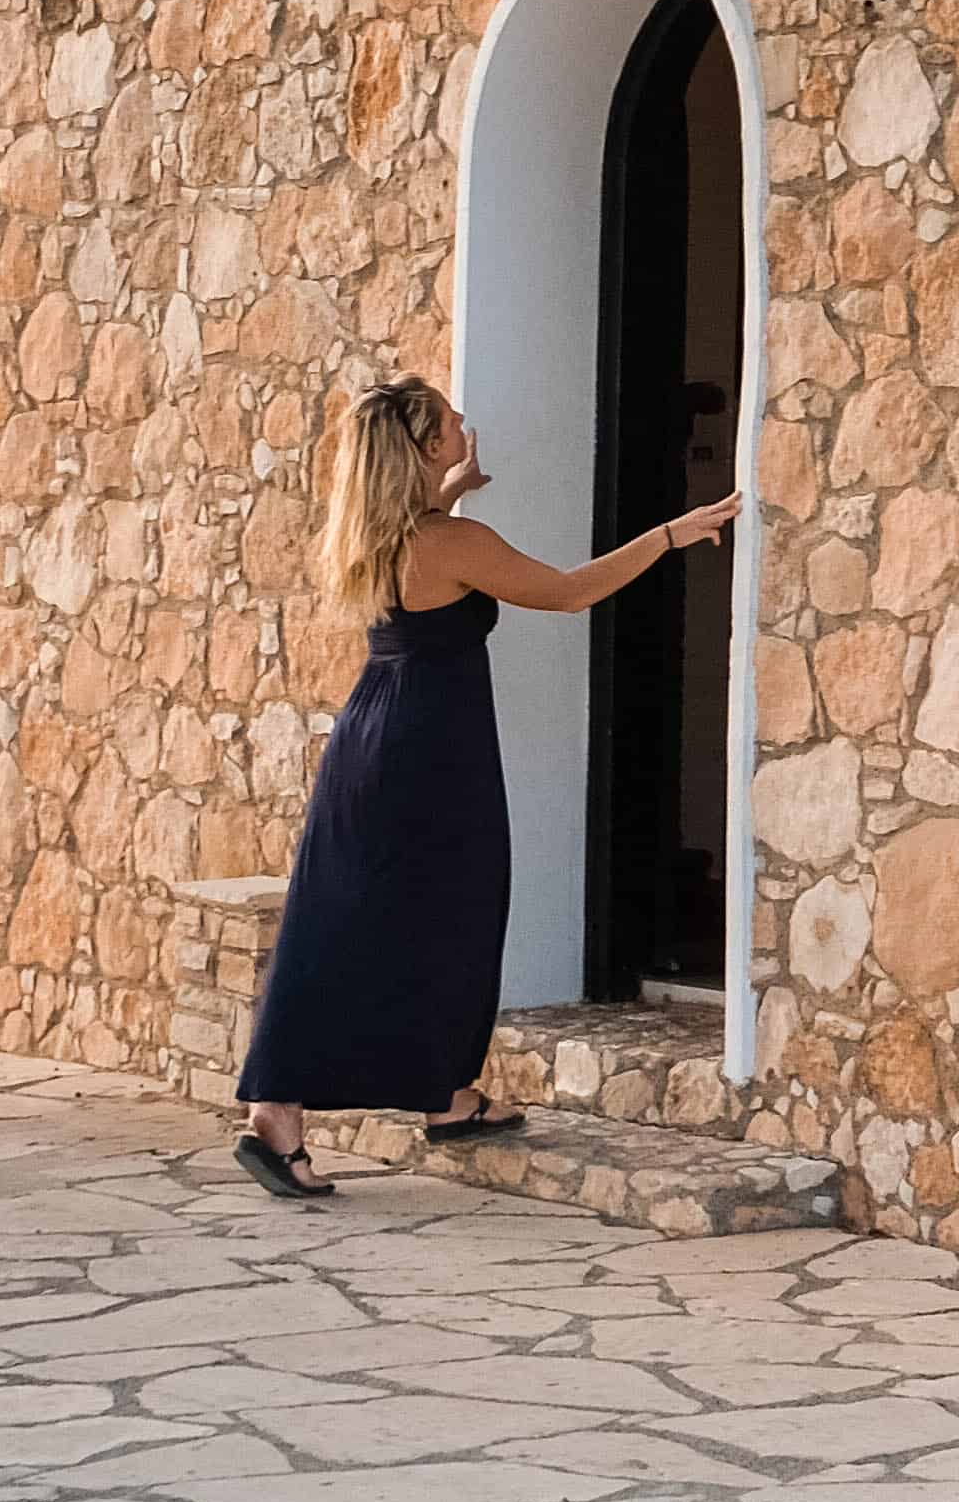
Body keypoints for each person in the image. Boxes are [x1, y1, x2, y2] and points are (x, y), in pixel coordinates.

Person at [233, 372, 737, 1208]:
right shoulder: (453, 543)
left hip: (374, 737)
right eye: (454, 422)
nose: (469, 422)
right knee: (452, 911)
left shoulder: (380, 531)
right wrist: (672, 533)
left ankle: (438, 1095)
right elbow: (571, 593)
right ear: (428, 445)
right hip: (431, 750)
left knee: (351, 918)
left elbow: (429, 555)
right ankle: (284, 1114)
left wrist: (451, 491)